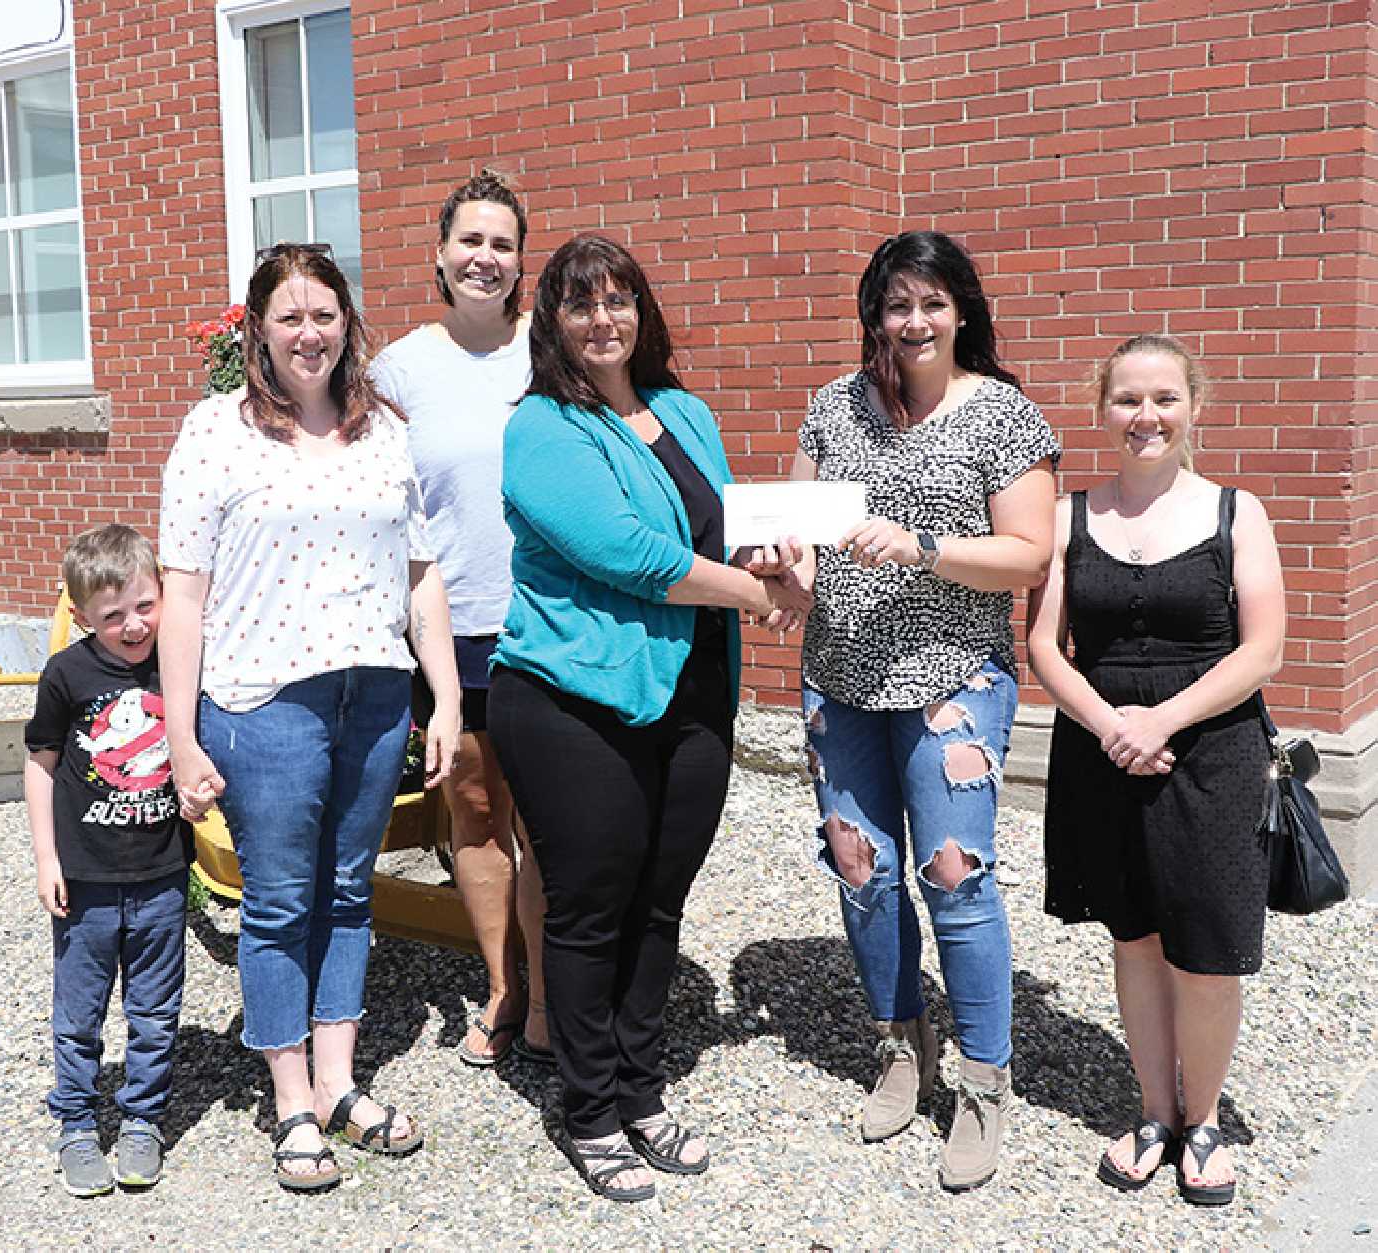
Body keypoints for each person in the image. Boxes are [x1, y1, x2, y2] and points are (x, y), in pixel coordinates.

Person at [487, 233, 810, 1203]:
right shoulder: (539, 427)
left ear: (642, 312)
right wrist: (757, 601)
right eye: (581, 305)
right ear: (552, 321)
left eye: (618, 300)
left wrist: (780, 560)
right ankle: (588, 1108)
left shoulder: (685, 411)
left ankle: (640, 1085)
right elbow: (628, 554)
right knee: (590, 909)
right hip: (574, 698)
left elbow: (720, 530)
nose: (603, 320)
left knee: (658, 900)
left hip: (694, 693)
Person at [158, 243, 462, 1194]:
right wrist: (179, 735)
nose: (308, 333)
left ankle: (338, 1082)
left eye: (324, 314)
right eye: (288, 316)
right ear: (257, 329)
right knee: (282, 900)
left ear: (347, 324)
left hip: (372, 696)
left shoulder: (383, 432)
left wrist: (443, 693)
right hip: (264, 702)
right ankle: (288, 1096)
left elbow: (420, 574)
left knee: (347, 893)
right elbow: (184, 594)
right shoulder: (215, 432)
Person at [789, 230, 1059, 1192]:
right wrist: (784, 565)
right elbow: (810, 537)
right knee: (861, 870)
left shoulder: (1006, 417)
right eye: (898, 304)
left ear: (961, 311)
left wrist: (923, 545)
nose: (914, 322)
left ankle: (985, 1083)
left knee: (954, 875)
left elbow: (1029, 553)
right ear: (876, 313)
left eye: (932, 303)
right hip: (841, 675)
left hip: (954, 678)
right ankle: (903, 1044)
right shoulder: (833, 408)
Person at [1026, 334, 1284, 1206]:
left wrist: (1163, 719)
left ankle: (1203, 1119)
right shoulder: (1069, 515)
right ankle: (1153, 1112)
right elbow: (1043, 646)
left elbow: (1264, 650)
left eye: (1165, 398)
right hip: (1102, 752)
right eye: (1128, 399)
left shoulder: (1235, 513)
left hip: (1212, 751)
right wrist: (1110, 725)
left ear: (1194, 406)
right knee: (1133, 936)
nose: (1147, 416)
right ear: (1103, 409)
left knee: (1207, 948)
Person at [371, 171, 549, 1067]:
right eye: (470, 242)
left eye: (502, 244)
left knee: (551, 824)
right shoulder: (399, 369)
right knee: (476, 815)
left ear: (522, 262)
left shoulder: (551, 352)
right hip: (456, 630)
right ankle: (504, 987)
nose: (485, 258)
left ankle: (554, 995)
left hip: (555, 626)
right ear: (440, 255)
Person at [25, 524, 190, 1197]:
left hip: (161, 874)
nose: (133, 625)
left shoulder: (179, 661)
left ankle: (143, 1118)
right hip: (86, 879)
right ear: (84, 615)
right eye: (112, 614)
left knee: (154, 1010)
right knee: (79, 1012)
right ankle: (75, 1122)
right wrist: (46, 858)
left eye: (145, 605)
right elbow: (40, 766)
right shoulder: (67, 674)